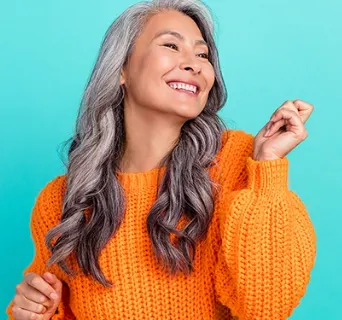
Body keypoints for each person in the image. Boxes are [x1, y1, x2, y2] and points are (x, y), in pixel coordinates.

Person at [7, 0, 316, 319]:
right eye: (171, 45)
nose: (194, 64)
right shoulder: (62, 201)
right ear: (121, 68)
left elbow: (268, 306)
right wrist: (35, 312)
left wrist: (267, 169)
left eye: (202, 55)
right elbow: (51, 306)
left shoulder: (238, 161)